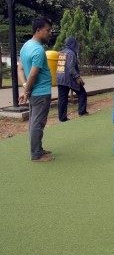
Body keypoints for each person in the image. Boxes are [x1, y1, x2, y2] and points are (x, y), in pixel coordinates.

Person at [18, 17, 54, 162]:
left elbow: (20, 69)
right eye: (48, 30)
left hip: (34, 92)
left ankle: (38, 149)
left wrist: (25, 87)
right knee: (37, 124)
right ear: (38, 30)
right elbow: (33, 73)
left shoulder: (26, 46)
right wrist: (27, 91)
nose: (50, 33)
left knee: (36, 122)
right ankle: (36, 155)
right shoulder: (38, 50)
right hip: (40, 93)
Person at [56, 36, 87, 122]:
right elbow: (71, 68)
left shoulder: (62, 52)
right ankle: (82, 112)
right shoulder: (71, 53)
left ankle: (62, 118)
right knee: (82, 93)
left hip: (59, 78)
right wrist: (77, 77)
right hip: (68, 78)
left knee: (62, 99)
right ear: (73, 44)